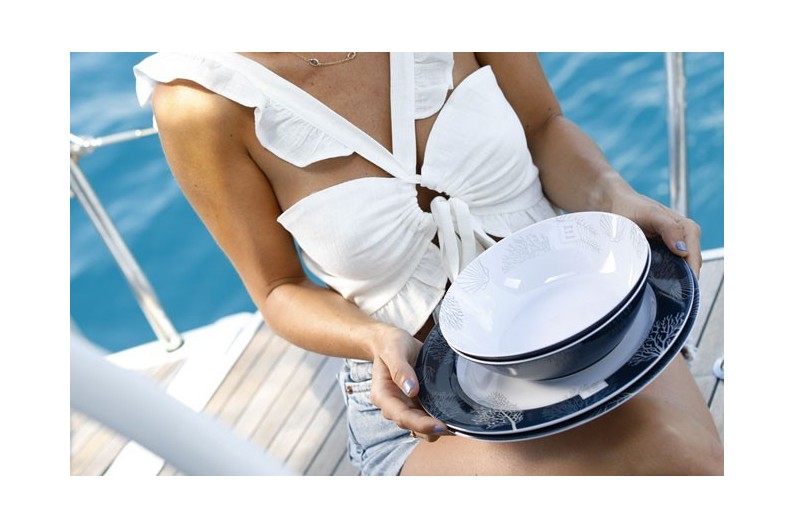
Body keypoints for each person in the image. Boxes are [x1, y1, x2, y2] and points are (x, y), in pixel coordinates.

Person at [134, 52, 723, 475]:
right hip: (421, 399)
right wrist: (373, 339)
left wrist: (614, 196)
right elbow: (278, 289)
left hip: (588, 325)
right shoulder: (197, 101)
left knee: (681, 457)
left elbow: (543, 126)